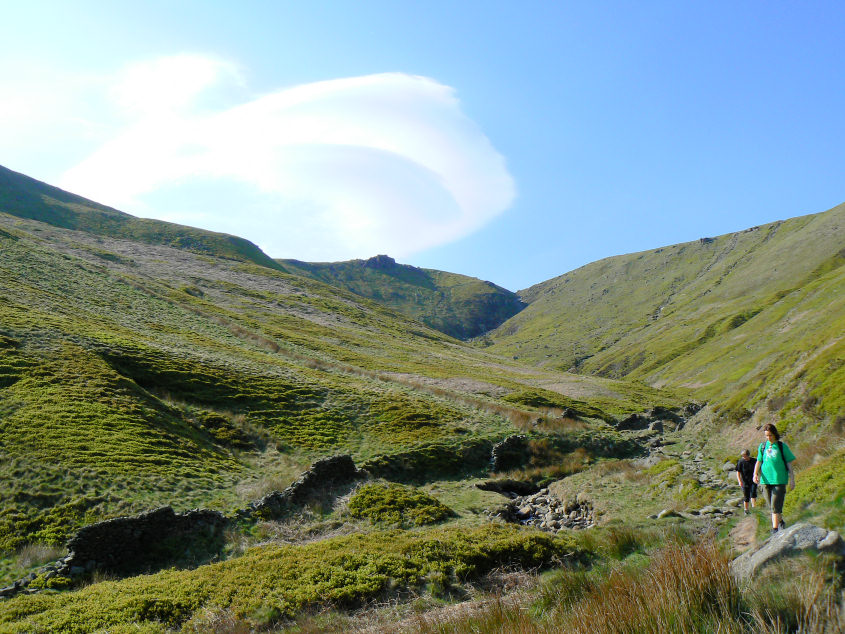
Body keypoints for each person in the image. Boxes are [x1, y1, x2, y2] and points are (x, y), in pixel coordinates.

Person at [753, 423, 796, 535]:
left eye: (770, 435)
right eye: (766, 436)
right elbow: (759, 461)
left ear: (775, 434)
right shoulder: (762, 446)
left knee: (774, 506)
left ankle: (775, 529)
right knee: (771, 506)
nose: (768, 438)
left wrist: (792, 479)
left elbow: (789, 464)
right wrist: (755, 474)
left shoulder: (782, 446)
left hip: (779, 480)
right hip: (765, 480)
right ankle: (781, 521)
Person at [735, 449, 757, 514]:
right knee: (746, 496)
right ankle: (746, 510)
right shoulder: (740, 462)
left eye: (745, 456)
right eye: (743, 456)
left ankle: (754, 509)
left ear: (748, 455)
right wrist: (739, 481)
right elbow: (738, 472)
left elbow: (758, 469)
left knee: (753, 494)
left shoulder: (754, 461)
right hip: (745, 481)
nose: (744, 457)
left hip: (753, 480)